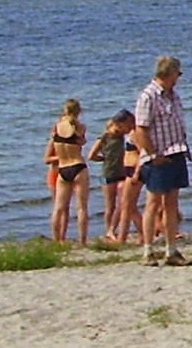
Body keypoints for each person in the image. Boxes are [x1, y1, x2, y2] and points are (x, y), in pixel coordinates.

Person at [132, 55, 190, 265]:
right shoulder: (148, 96)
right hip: (158, 156)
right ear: (169, 73)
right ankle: (148, 250)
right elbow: (140, 129)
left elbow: (177, 124)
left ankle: (171, 250)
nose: (178, 78)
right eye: (177, 74)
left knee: (171, 203)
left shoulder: (173, 96)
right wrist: (152, 155)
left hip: (176, 152)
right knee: (153, 203)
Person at [45, 98, 92, 245]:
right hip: (78, 166)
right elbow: (81, 141)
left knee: (58, 208)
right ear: (79, 111)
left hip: (63, 169)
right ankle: (82, 241)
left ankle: (57, 240)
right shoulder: (80, 127)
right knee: (81, 208)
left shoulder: (56, 127)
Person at [92, 109, 139, 245]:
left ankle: (113, 229)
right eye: (128, 124)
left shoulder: (122, 136)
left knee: (122, 202)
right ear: (119, 124)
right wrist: (105, 159)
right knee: (110, 205)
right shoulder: (105, 137)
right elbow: (92, 155)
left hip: (121, 172)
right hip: (108, 173)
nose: (130, 127)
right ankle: (109, 231)